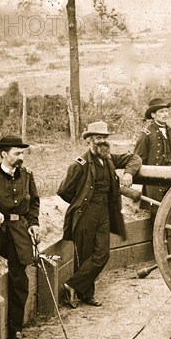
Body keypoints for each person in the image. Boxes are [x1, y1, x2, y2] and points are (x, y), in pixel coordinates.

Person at [58, 121, 142, 308]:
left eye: (105, 138)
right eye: (98, 138)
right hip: (85, 214)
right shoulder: (79, 165)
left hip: (104, 213)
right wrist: (81, 201)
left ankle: (70, 285)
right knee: (85, 255)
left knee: (102, 254)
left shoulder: (110, 158)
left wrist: (128, 173)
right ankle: (85, 295)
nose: (103, 142)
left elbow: (135, 157)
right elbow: (63, 191)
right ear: (89, 141)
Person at [0, 135, 40, 339]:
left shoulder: (27, 175)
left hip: (19, 231)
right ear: (4, 154)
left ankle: (15, 328)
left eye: (22, 153)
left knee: (20, 279)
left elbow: (34, 202)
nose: (21, 157)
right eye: (17, 153)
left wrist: (34, 223)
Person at [134, 98, 171, 217]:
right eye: (161, 112)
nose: (165, 114)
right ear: (153, 115)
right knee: (158, 210)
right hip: (154, 178)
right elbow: (137, 158)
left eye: (166, 111)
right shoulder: (146, 134)